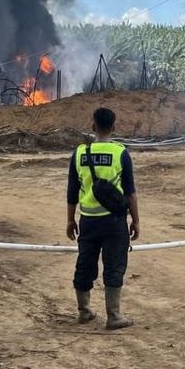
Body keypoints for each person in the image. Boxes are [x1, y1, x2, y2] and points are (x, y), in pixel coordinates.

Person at [66, 107, 140, 329]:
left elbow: (72, 191)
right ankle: (114, 315)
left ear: (93, 126)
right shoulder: (120, 153)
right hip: (114, 222)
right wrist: (136, 221)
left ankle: (84, 311)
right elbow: (130, 192)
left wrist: (70, 220)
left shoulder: (79, 153)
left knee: (85, 263)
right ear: (114, 127)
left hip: (88, 221)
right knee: (114, 265)